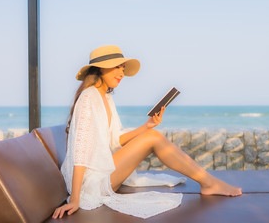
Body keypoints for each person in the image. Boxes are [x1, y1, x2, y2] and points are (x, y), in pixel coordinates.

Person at [52, 45, 242, 219]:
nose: (122, 73)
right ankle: (209, 182)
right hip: (90, 184)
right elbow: (80, 151)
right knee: (153, 138)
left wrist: (147, 126)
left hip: (103, 174)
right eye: (117, 67)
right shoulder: (89, 98)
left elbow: (114, 140)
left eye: (123, 69)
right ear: (101, 68)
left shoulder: (105, 98)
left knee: (152, 135)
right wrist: (75, 198)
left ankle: (209, 182)